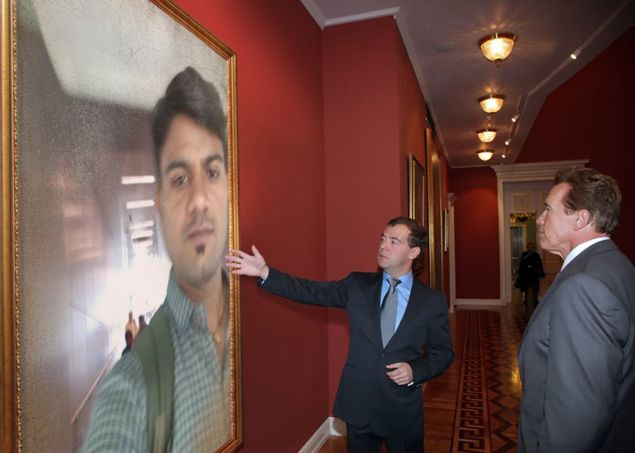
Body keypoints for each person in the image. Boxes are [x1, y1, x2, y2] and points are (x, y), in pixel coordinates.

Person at [83, 66, 231, 452]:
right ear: (160, 203)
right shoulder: (130, 389)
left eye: (212, 172)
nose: (200, 201)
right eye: (180, 179)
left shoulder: (247, 315)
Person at [227, 216, 454, 453]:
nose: (383, 246)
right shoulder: (357, 285)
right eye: (383, 238)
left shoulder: (431, 301)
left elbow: (443, 353)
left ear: (413, 252)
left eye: (394, 242)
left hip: (401, 409)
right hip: (358, 405)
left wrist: (415, 370)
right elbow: (311, 291)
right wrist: (265, 272)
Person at [517, 167, 635, 452]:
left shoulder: (584, 285)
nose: (540, 219)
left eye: (549, 209)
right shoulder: (617, 266)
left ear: (581, 218)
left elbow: (575, 417)